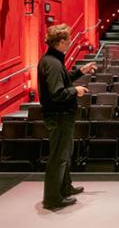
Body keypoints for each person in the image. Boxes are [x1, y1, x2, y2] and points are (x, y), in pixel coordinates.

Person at [37, 24, 97, 211]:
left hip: (60, 116)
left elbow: (62, 79)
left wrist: (80, 71)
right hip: (59, 115)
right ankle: (53, 198)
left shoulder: (52, 60)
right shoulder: (53, 63)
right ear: (61, 41)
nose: (70, 43)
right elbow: (57, 92)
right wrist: (76, 90)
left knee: (64, 154)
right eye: (68, 40)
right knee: (58, 157)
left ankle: (65, 188)